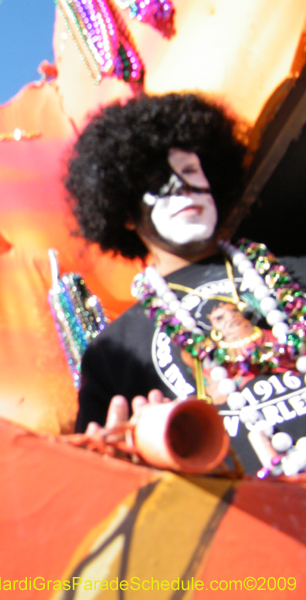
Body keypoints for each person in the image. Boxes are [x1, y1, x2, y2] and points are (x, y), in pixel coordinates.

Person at [65, 92, 306, 477]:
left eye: (190, 172)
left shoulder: (294, 273)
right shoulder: (113, 354)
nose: (181, 188)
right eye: (159, 181)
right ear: (126, 213)